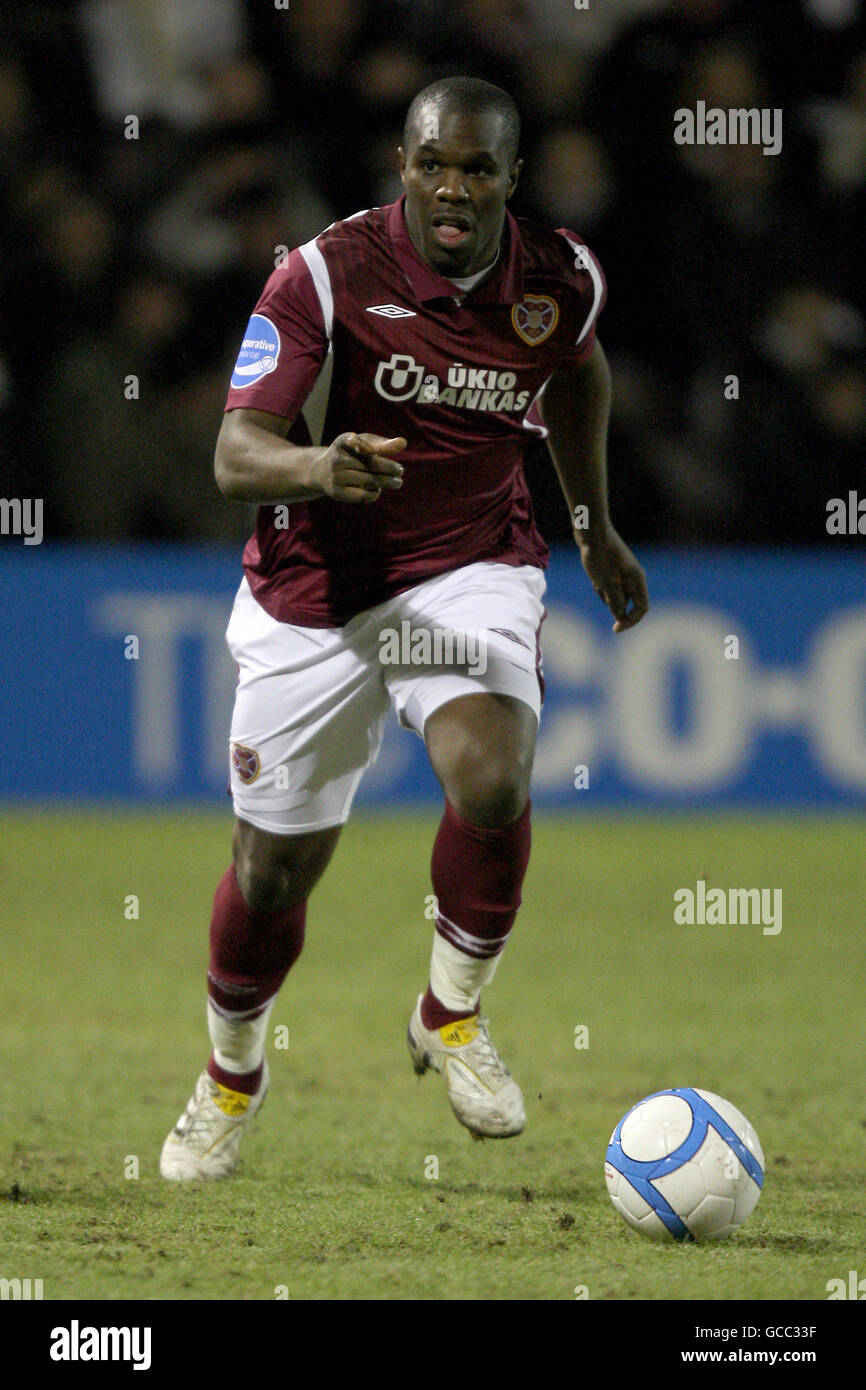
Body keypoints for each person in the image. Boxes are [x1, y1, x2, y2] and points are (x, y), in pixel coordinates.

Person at [160, 76, 649, 1181]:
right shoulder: (323, 274)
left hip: (466, 566)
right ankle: (231, 1074)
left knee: (492, 774)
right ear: (402, 165)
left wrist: (592, 527)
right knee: (272, 873)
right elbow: (237, 453)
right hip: (314, 595)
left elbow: (576, 376)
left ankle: (451, 1011)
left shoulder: (557, 278)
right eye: (433, 164)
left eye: (477, 169)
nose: (452, 188)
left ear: (509, 181)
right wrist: (316, 467)